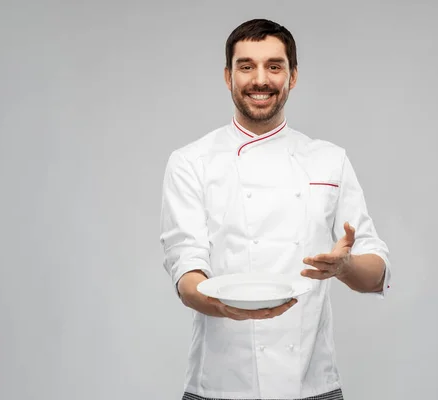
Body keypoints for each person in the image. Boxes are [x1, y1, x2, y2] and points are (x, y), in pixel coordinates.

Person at [159, 18, 392, 400]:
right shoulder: (191, 162)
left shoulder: (328, 160)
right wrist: (224, 306)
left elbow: (375, 272)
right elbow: (186, 273)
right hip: (219, 385)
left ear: (293, 76)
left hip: (313, 385)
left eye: (274, 66)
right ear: (227, 76)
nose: (260, 79)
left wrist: (344, 267)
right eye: (246, 66)